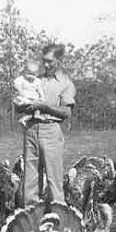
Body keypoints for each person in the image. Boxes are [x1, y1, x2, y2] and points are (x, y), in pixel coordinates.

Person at [14, 43, 76, 206]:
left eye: (50, 61)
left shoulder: (65, 83)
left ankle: (58, 219)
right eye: (44, 61)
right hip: (31, 130)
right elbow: (19, 107)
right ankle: (31, 217)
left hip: (51, 130)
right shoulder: (35, 79)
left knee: (54, 179)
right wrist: (20, 105)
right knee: (30, 179)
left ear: (60, 61)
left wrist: (43, 106)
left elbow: (66, 112)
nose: (46, 65)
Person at [13, 60, 46, 127]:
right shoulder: (22, 79)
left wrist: (42, 97)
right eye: (29, 74)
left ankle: (25, 119)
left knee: (38, 107)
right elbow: (17, 87)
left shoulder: (36, 81)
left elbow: (40, 90)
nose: (31, 76)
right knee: (31, 108)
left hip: (33, 98)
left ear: (36, 74)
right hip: (24, 98)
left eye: (33, 74)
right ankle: (28, 117)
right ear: (24, 72)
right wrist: (21, 94)